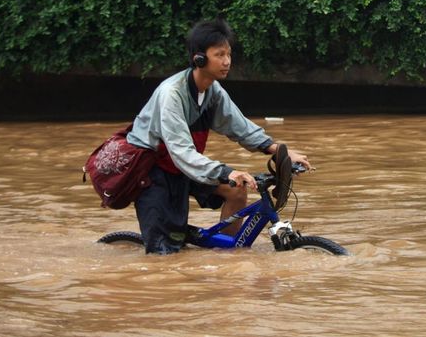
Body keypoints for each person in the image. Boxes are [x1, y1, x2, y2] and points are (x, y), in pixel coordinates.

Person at [110, 19, 311, 254]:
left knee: (236, 190)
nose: (226, 61)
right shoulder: (171, 94)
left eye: (229, 54)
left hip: (184, 167)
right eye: (219, 55)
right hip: (153, 173)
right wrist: (228, 172)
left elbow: (239, 127)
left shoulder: (213, 91)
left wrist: (277, 150)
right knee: (164, 255)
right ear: (199, 59)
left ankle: (223, 257)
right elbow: (181, 151)